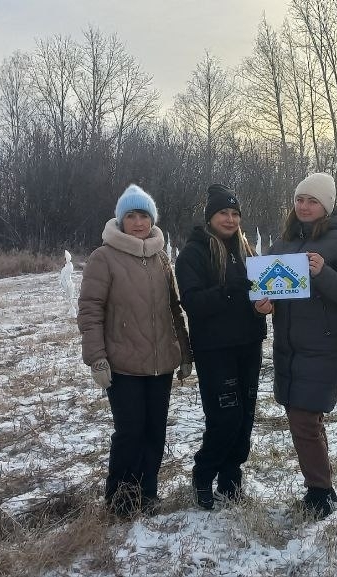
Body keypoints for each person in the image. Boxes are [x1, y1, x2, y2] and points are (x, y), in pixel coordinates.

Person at [78, 184, 193, 518]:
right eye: (131, 216)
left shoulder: (161, 258)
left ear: (152, 220)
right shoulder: (104, 258)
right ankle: (121, 501)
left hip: (160, 365)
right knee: (130, 433)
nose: (139, 222)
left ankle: (148, 493)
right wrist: (97, 358)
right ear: (121, 220)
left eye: (144, 215)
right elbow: (90, 310)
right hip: (123, 364)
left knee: (155, 432)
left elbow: (174, 310)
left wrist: (184, 351)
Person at [260, 173, 337, 519]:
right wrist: (262, 304)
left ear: (327, 206)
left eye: (313, 201)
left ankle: (319, 492)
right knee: (303, 416)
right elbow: (268, 286)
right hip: (288, 344)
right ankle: (322, 486)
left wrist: (323, 273)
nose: (304, 207)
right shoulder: (284, 241)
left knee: (304, 417)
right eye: (300, 200)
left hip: (324, 344)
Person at [175, 183, 268, 511]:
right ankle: (203, 475)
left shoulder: (246, 251)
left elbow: (259, 295)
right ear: (210, 217)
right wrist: (229, 290)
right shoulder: (194, 253)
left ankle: (231, 480)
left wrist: (263, 306)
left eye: (234, 213)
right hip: (215, 349)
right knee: (226, 417)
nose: (230, 219)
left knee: (245, 418)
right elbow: (193, 303)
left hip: (249, 344)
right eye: (223, 213)